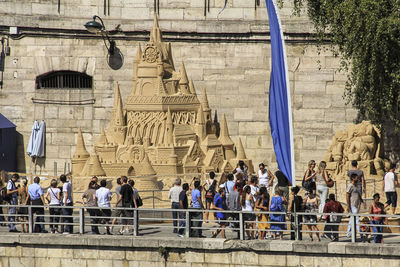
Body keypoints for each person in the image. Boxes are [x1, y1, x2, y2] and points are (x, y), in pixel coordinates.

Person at [346, 173, 363, 239]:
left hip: (356, 204)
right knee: (356, 219)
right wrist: (348, 205)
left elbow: (358, 194)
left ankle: (348, 233)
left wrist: (361, 201)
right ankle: (360, 233)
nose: (358, 179)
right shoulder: (350, 186)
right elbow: (347, 195)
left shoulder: (356, 186)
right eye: (356, 177)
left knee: (352, 219)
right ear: (353, 178)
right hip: (352, 205)